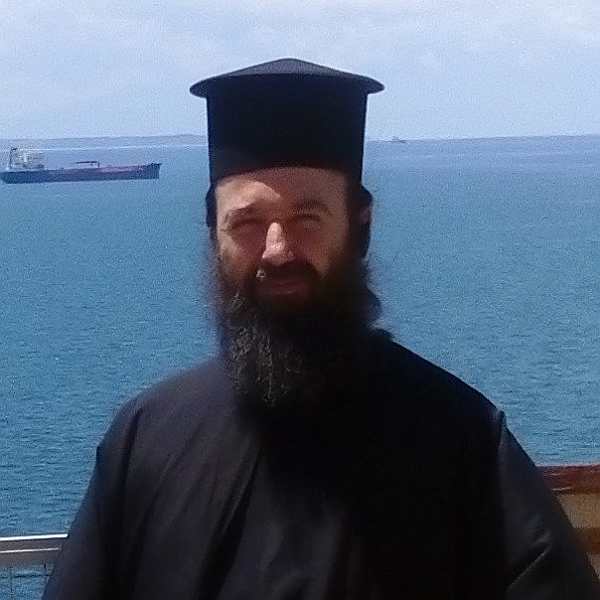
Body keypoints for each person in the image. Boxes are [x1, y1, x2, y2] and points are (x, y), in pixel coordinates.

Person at [43, 58, 599, 600]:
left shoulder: (464, 439)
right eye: (248, 222)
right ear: (214, 233)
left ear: (360, 227)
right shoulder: (145, 439)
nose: (278, 250)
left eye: (307, 219)